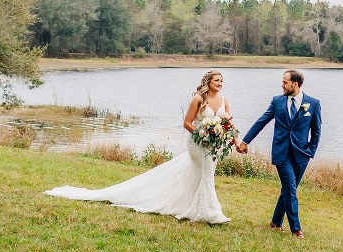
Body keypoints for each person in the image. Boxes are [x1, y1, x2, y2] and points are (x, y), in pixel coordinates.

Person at [45, 70, 236, 224]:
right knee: (207, 173)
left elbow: (228, 123)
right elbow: (187, 123)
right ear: (208, 82)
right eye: (216, 80)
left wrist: (232, 139)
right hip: (198, 142)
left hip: (214, 145)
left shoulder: (224, 100)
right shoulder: (198, 99)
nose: (220, 83)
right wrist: (201, 134)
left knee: (203, 173)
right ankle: (211, 213)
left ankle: (195, 206)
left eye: (221, 81)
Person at [237, 70, 321, 239]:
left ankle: (276, 222)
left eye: (285, 82)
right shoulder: (277, 102)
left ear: (294, 84)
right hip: (282, 153)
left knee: (288, 190)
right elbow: (262, 121)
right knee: (290, 188)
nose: (282, 85)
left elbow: (316, 131)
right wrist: (245, 141)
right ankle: (296, 229)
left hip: (301, 155)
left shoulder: (313, 103)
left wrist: (310, 151)